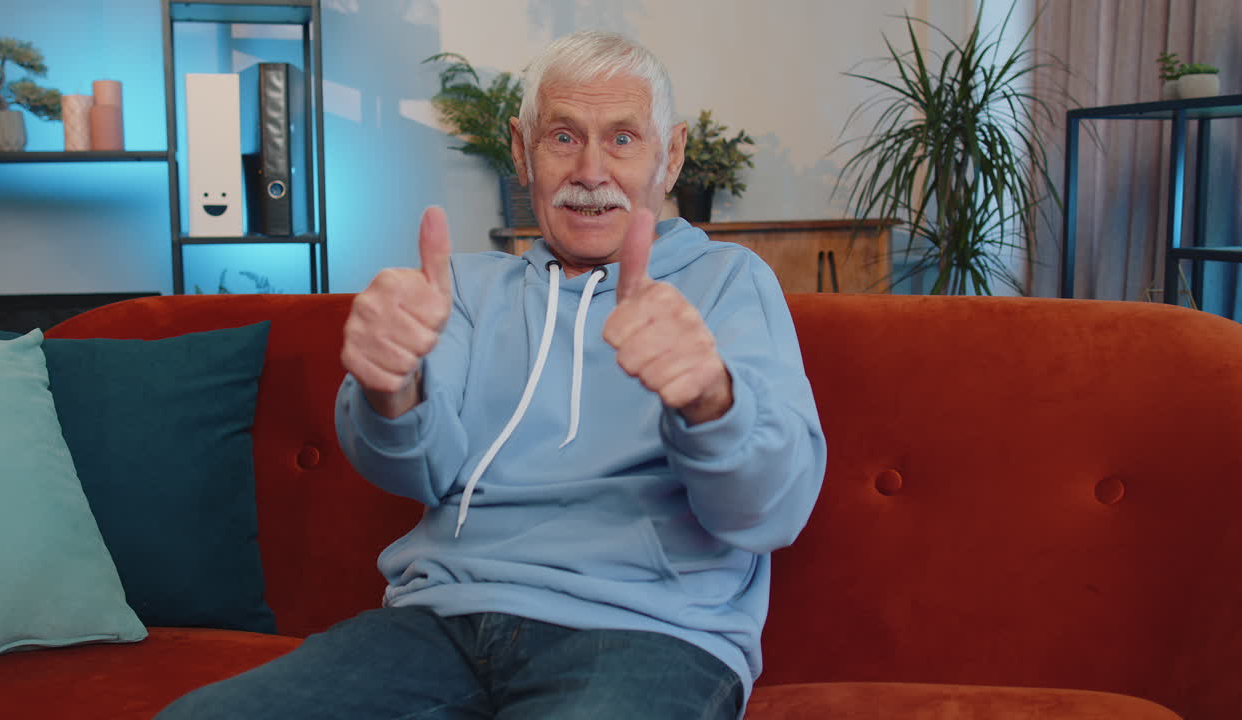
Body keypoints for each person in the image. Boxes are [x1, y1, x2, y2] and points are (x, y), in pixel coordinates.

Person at [158, 30, 824, 720]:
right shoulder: (467, 288)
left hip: (648, 632)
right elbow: (418, 467)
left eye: (623, 139)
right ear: (521, 149)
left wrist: (710, 399)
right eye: (563, 136)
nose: (591, 170)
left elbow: (770, 509)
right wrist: (391, 385)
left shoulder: (729, 281)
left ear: (672, 154)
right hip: (438, 622)